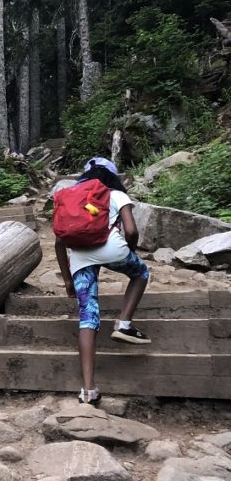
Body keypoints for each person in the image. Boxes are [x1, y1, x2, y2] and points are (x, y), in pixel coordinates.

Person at [55, 157, 151, 407]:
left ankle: (88, 390)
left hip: (79, 257)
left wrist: (67, 279)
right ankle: (124, 324)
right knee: (140, 273)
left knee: (87, 317)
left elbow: (59, 242)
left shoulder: (71, 196)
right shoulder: (115, 193)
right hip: (113, 249)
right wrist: (128, 253)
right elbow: (131, 230)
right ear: (112, 175)